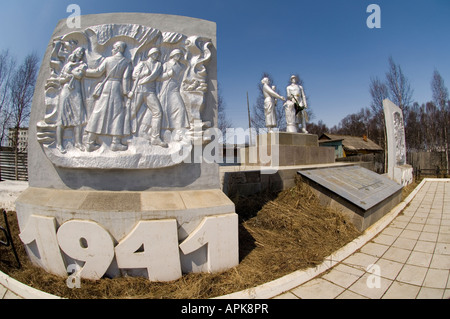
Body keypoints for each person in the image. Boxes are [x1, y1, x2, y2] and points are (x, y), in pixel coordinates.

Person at [85, 41, 132, 152]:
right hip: (117, 87)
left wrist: (85, 72)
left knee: (98, 112)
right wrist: (126, 92)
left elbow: (97, 72)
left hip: (106, 86)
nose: (113, 49)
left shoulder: (108, 60)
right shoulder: (126, 62)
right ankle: (115, 142)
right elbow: (125, 79)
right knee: (118, 114)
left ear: (119, 48)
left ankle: (90, 142)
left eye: (114, 47)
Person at [129, 48, 167, 147]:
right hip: (139, 89)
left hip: (150, 91)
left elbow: (155, 77)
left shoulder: (158, 65)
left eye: (157, 54)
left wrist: (144, 79)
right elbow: (134, 76)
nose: (156, 55)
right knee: (132, 111)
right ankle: (124, 134)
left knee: (157, 112)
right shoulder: (142, 64)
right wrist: (143, 74)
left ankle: (155, 137)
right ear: (150, 54)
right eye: (154, 53)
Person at [55, 47, 87, 153]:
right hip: (66, 90)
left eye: (82, 53)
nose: (80, 53)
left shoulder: (83, 65)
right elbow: (60, 79)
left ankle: (78, 143)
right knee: (61, 117)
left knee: (78, 115)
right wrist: (66, 78)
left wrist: (71, 72)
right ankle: (59, 144)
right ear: (75, 52)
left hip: (76, 91)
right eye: (79, 51)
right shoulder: (67, 65)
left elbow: (80, 75)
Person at [159, 49, 190, 140]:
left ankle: (179, 131)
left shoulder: (182, 66)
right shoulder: (166, 65)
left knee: (180, 108)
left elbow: (185, 76)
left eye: (180, 55)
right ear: (172, 55)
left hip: (175, 89)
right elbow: (159, 78)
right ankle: (164, 130)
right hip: (166, 88)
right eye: (177, 55)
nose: (179, 57)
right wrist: (168, 74)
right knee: (165, 109)